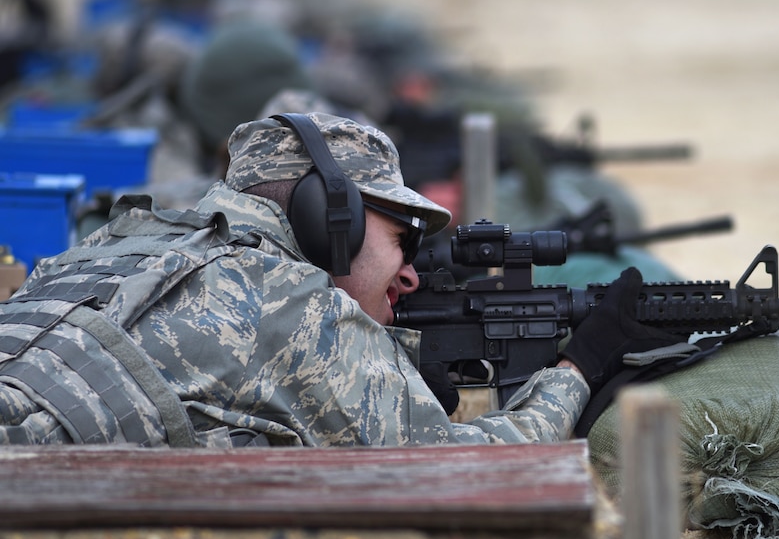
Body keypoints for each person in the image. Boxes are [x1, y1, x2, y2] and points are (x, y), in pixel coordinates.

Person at [0, 112, 681, 448]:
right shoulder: (287, 305)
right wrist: (582, 362)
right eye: (402, 237)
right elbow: (465, 465)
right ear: (334, 221)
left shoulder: (115, 237)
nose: (412, 271)